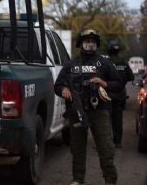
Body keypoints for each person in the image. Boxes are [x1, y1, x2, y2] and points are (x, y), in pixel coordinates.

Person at [54, 29, 123, 185]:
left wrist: (104, 83)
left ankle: (110, 180)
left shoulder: (104, 63)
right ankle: (77, 179)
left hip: (100, 111)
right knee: (77, 148)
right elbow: (58, 85)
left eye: (93, 41)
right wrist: (63, 90)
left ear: (96, 44)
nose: (90, 44)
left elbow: (119, 83)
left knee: (105, 148)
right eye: (87, 41)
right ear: (81, 43)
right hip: (76, 112)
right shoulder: (71, 64)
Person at [106, 39, 134, 148]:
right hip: (120, 96)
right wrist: (121, 81)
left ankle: (105, 141)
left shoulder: (106, 62)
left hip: (107, 95)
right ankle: (117, 142)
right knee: (117, 119)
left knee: (105, 119)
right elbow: (131, 77)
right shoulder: (123, 62)